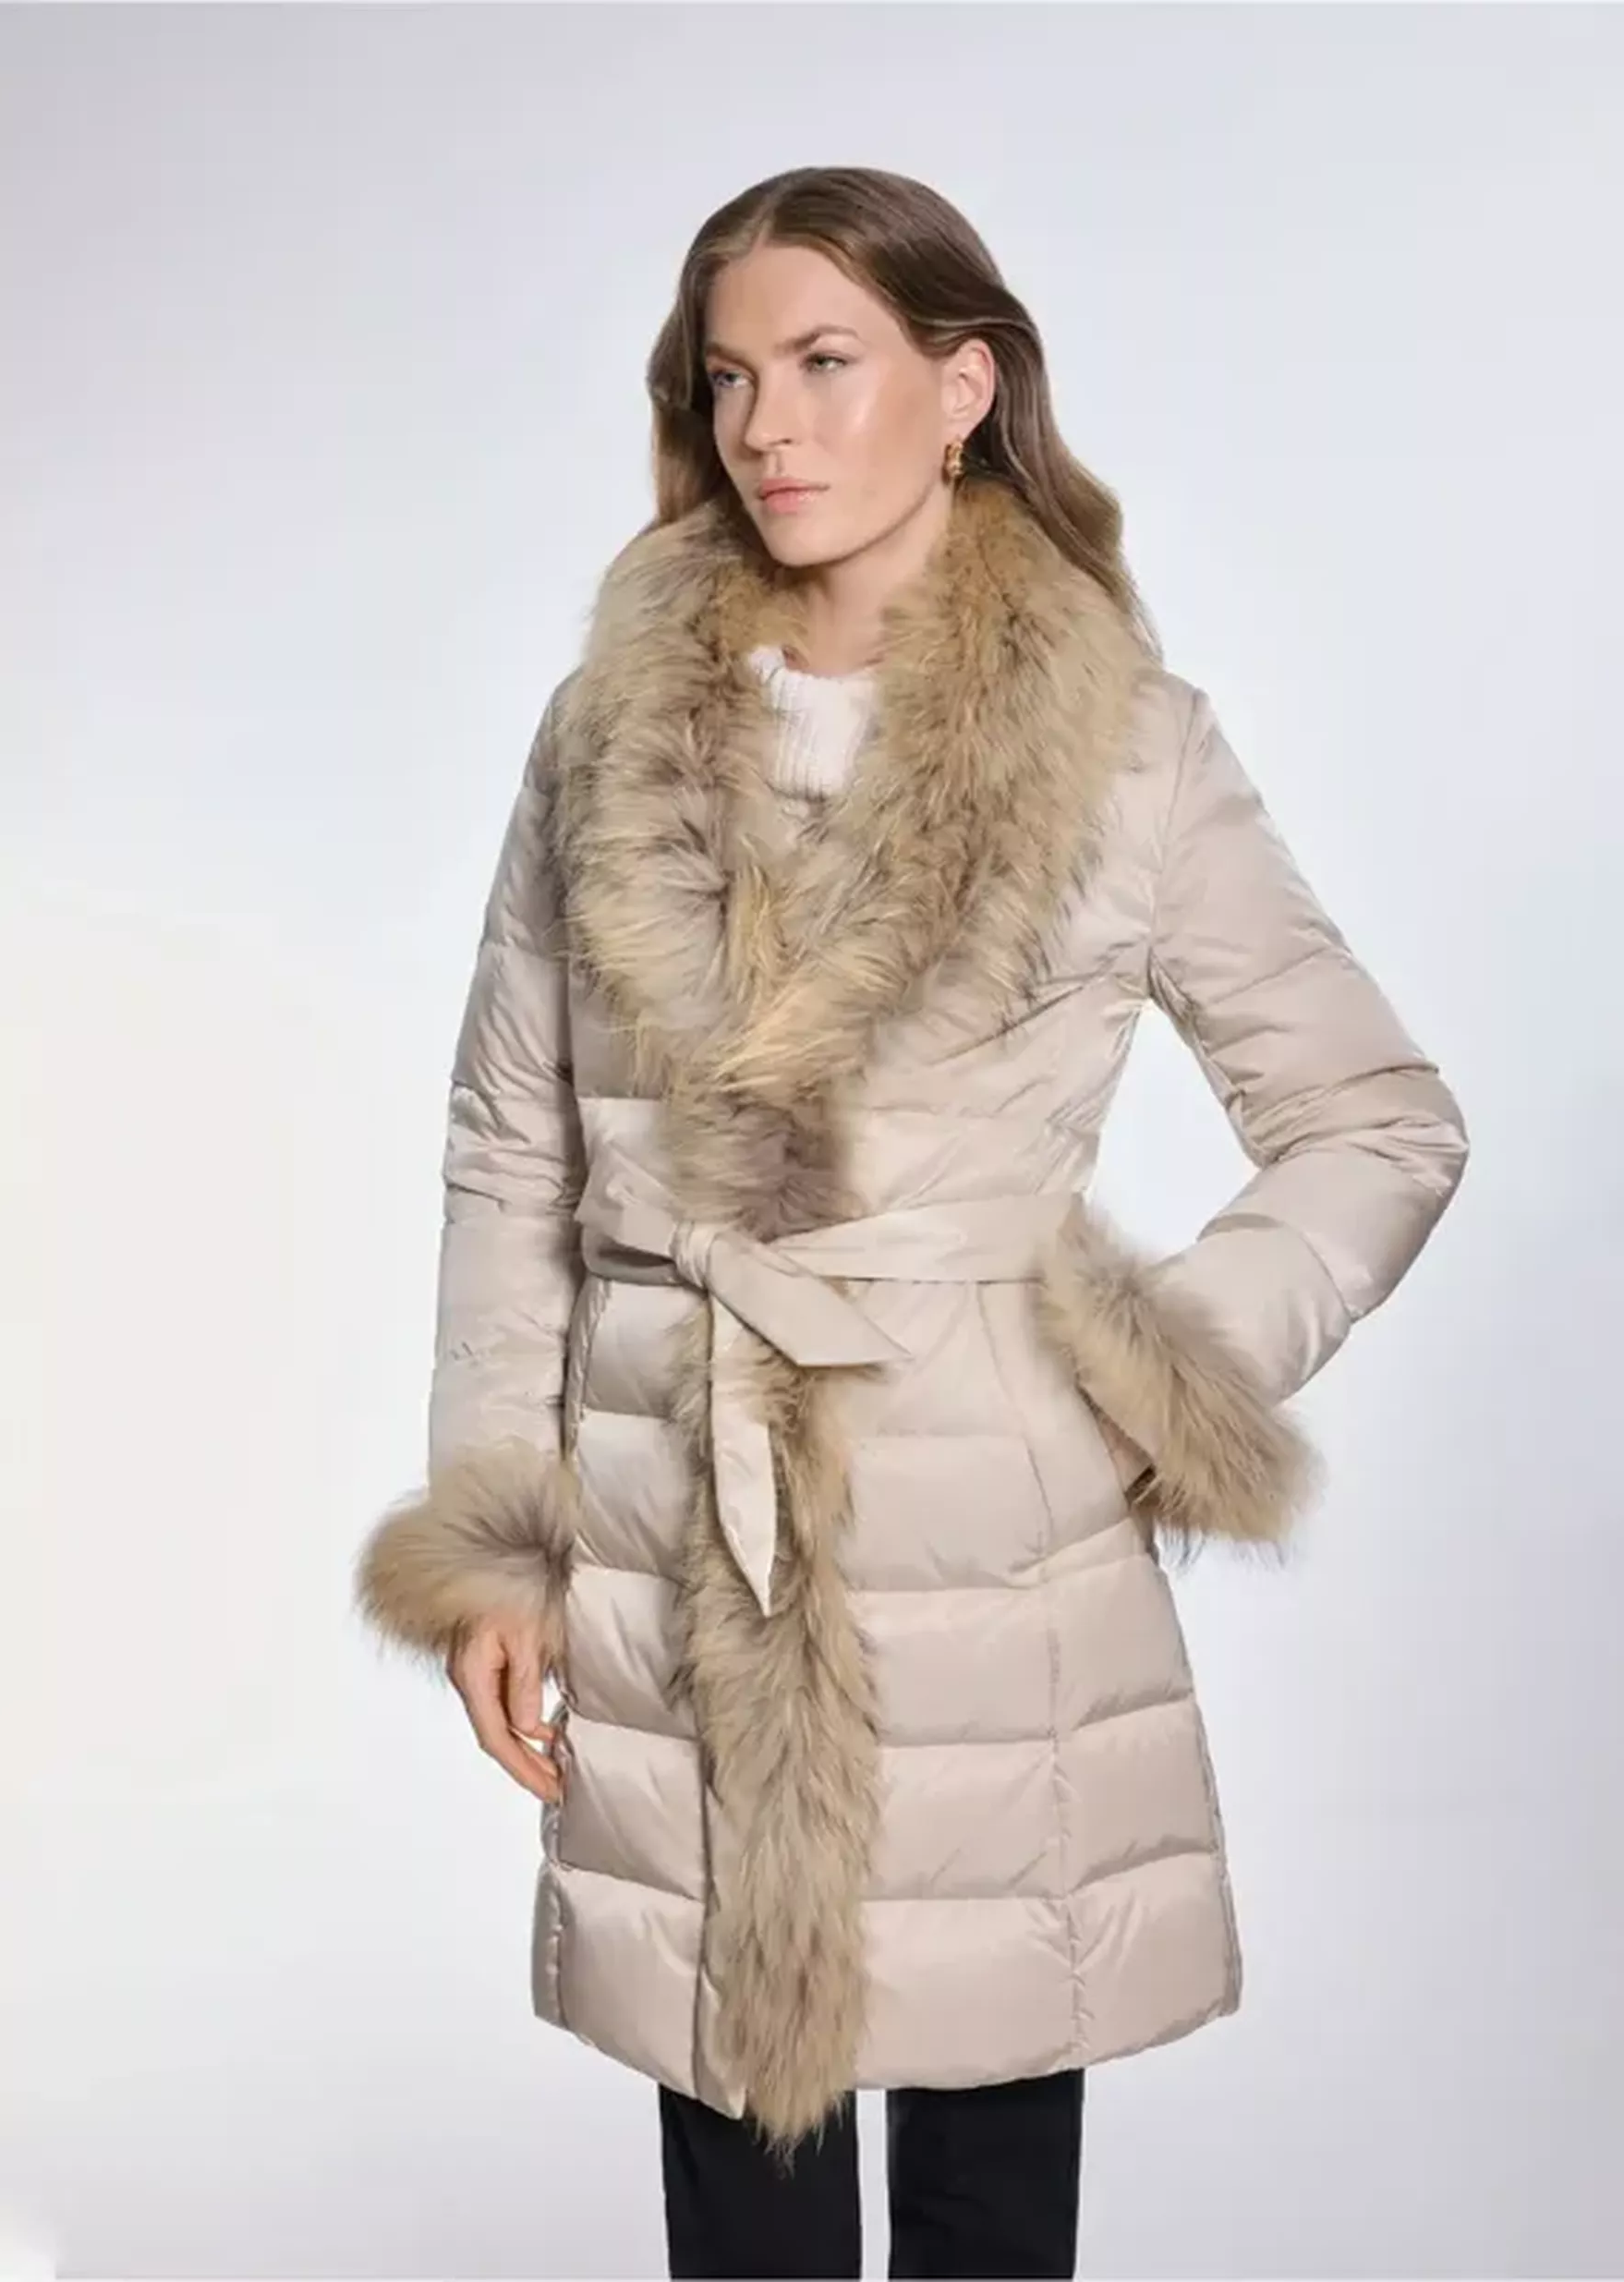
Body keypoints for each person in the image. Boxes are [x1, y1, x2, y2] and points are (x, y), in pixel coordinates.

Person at [354, 165, 1470, 2279]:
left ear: (962, 387)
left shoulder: (1127, 750)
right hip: (675, 1509)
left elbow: (1373, 1114)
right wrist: (495, 1531)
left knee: (986, 2179)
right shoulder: (606, 737)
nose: (767, 424)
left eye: (823, 362)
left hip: (982, 1533)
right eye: (728, 377)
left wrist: (1144, 1380)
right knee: (741, 2190)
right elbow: (517, 1149)